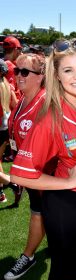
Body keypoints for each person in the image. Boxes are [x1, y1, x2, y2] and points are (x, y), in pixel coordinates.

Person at [9, 38, 76, 280]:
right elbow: (20, 173)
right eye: (68, 70)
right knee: (61, 265)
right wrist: (66, 182)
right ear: (57, 75)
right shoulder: (51, 115)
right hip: (65, 202)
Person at [3, 53, 47, 280]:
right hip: (28, 173)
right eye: (16, 71)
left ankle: (28, 257)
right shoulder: (23, 99)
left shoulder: (46, 102)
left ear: (40, 77)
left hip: (45, 175)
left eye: (24, 72)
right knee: (44, 214)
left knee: (39, 213)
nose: (17, 75)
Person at [0, 59, 18, 203]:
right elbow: (15, 104)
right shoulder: (6, 84)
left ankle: (12, 183)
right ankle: (0, 193)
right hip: (5, 127)